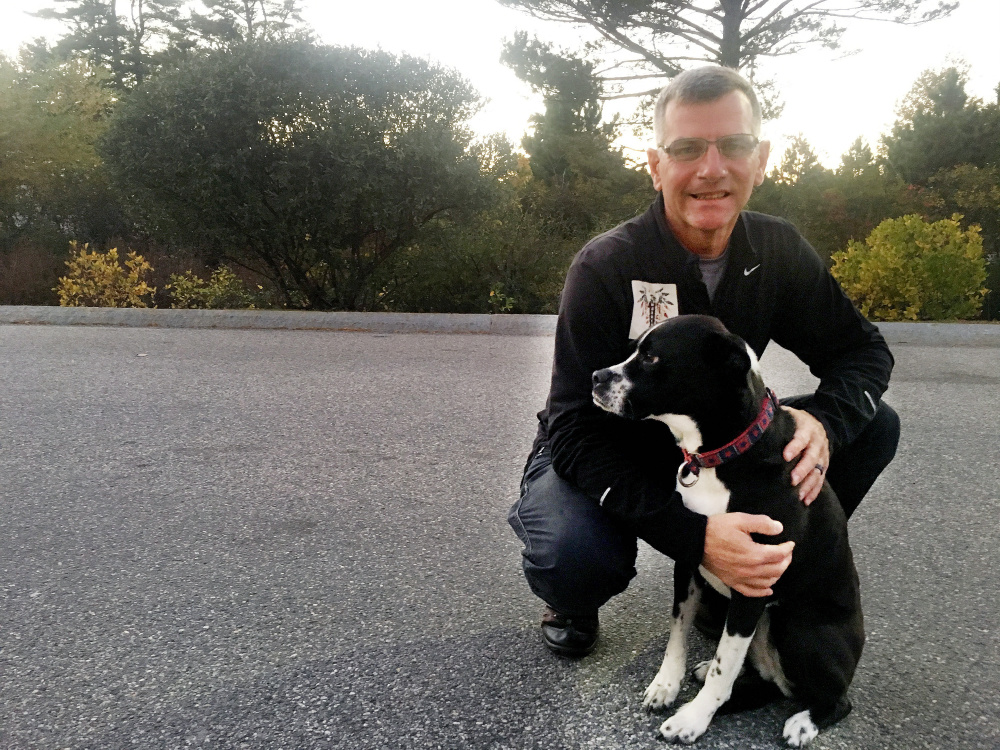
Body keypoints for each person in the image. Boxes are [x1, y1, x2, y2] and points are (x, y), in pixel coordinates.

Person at [508, 65, 901, 657]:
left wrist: (825, 421)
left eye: (734, 146)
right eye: (687, 148)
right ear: (656, 164)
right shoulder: (606, 267)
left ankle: (760, 565)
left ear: (761, 158)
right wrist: (694, 535)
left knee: (874, 424)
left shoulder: (778, 251)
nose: (711, 169)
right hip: (612, 445)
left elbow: (863, 351)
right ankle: (578, 596)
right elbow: (573, 429)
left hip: (717, 448)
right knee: (575, 554)